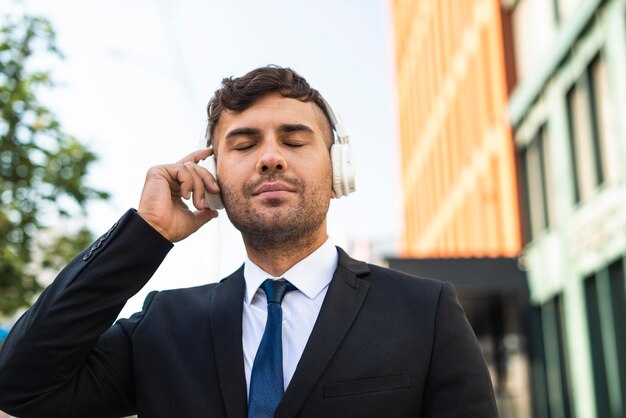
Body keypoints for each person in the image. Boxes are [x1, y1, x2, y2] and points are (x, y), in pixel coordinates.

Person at [0, 66, 498, 418]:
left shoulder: (424, 312)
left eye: (295, 140)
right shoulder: (163, 326)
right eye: (243, 144)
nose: (270, 158)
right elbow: (21, 384)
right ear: (212, 176)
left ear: (338, 170)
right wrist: (143, 234)